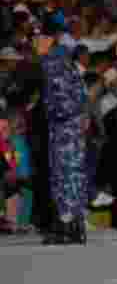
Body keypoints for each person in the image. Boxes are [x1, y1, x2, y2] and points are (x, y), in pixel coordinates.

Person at [34, 17, 89, 245]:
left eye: (38, 38)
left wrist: (57, 117)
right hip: (73, 126)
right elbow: (80, 95)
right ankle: (76, 226)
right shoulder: (66, 60)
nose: (35, 43)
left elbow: (61, 99)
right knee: (74, 173)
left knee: (63, 175)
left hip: (63, 127)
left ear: (48, 39)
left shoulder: (52, 62)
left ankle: (66, 226)